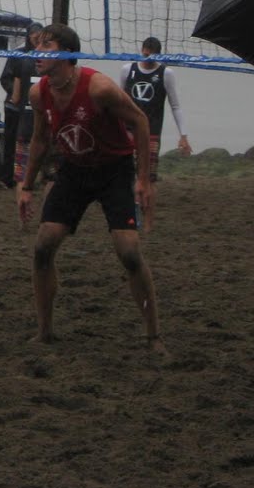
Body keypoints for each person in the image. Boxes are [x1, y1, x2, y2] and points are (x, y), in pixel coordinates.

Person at [14, 23, 161, 350]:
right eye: (37, 45)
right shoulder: (40, 92)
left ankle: (153, 337)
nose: (37, 52)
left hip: (114, 171)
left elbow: (140, 121)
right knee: (42, 246)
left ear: (67, 53)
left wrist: (142, 179)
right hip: (74, 170)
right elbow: (39, 139)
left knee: (129, 253)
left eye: (46, 46)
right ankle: (45, 332)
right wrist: (26, 185)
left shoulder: (99, 88)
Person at [122, 37, 193, 184]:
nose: (148, 59)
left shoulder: (166, 73)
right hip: (128, 129)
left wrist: (183, 136)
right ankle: (130, 205)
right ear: (141, 51)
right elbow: (119, 101)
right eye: (145, 55)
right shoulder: (128, 69)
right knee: (125, 173)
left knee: (149, 177)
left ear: (158, 55)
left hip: (151, 131)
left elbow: (175, 106)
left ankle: (146, 205)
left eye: (152, 56)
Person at [0, 25, 45, 189]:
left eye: (40, 36)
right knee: (12, 143)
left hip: (35, 108)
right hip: (15, 107)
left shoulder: (46, 56)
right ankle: (8, 177)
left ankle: (33, 177)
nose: (36, 38)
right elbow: (5, 79)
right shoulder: (18, 55)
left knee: (35, 141)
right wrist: (18, 93)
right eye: (34, 35)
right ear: (29, 36)